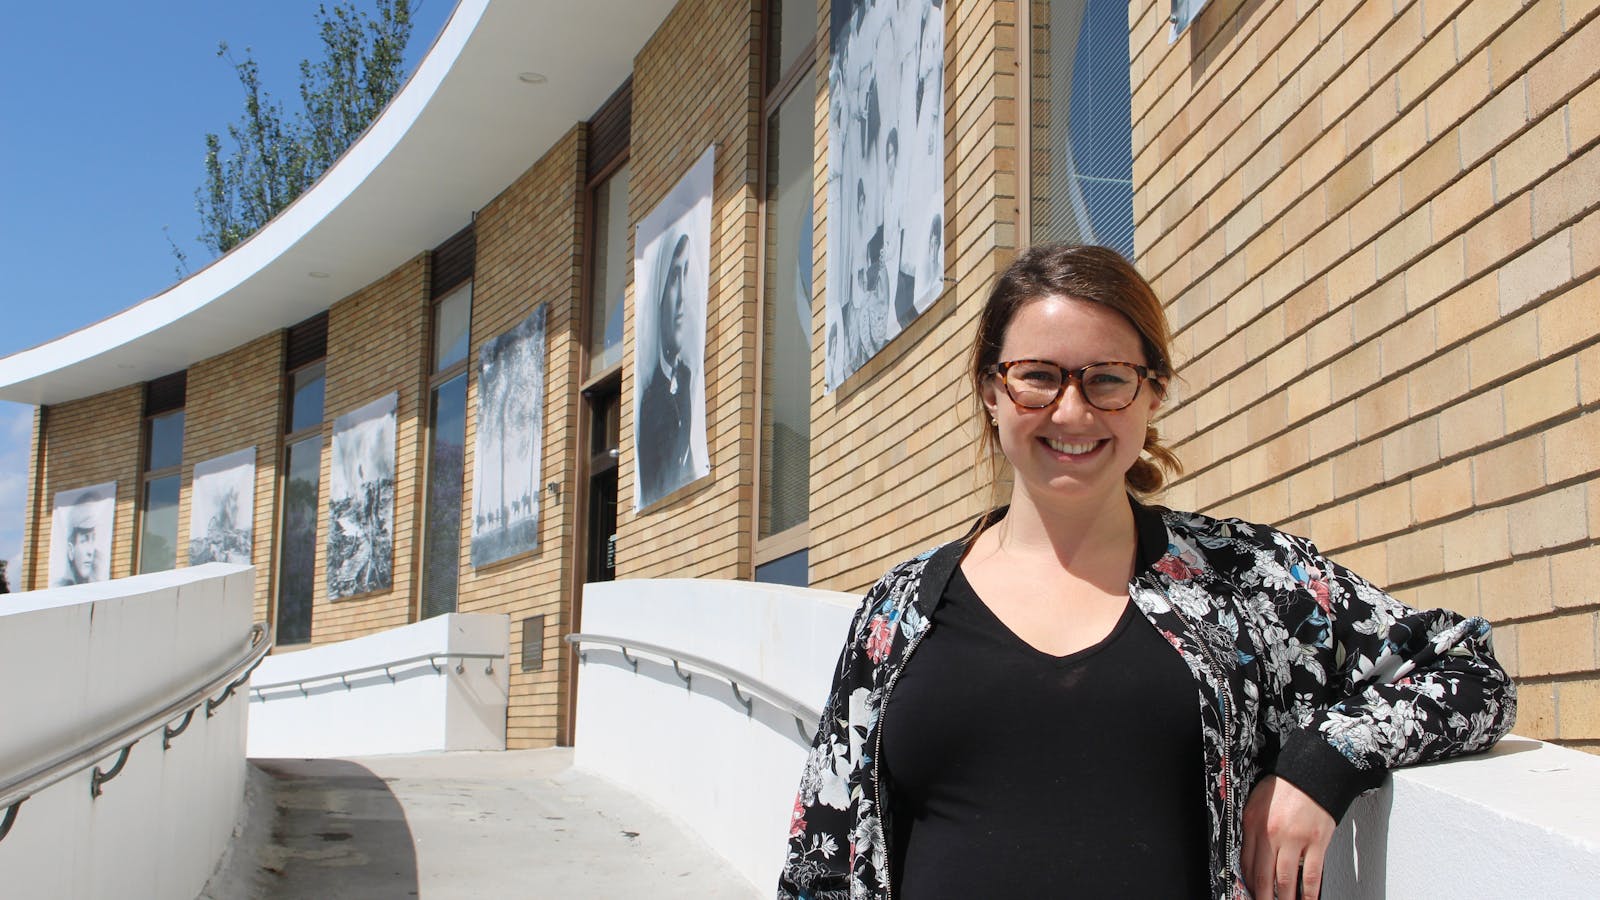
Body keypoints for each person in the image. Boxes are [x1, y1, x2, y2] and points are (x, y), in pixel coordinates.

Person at [778, 244, 1515, 900]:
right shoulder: (897, 615)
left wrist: (1322, 763)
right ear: (991, 390)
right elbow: (822, 860)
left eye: (1107, 380)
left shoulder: (1239, 581)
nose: (1071, 412)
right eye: (1038, 377)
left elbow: (1468, 671)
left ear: (1153, 391)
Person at [638, 233, 696, 506]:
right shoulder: (650, 406)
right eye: (674, 278)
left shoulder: (687, 378)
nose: (682, 296)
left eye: (686, 273)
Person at [57, 493, 103, 586]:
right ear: (71, 549)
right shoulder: (59, 588)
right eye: (84, 540)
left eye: (93, 539)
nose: (90, 551)